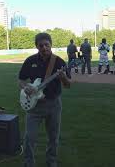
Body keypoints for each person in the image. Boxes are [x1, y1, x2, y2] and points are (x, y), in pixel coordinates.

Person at [18, 32, 71, 167]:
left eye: (46, 45)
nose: (44, 48)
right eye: (41, 45)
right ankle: (28, 163)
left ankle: (51, 162)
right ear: (37, 46)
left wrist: (63, 77)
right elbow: (21, 80)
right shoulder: (30, 61)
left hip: (53, 105)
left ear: (51, 45)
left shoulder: (59, 62)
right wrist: (26, 88)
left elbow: (68, 85)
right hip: (34, 107)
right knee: (29, 138)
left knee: (53, 138)